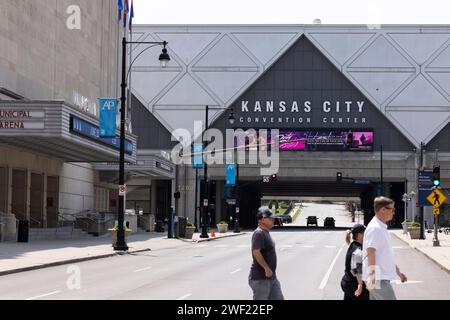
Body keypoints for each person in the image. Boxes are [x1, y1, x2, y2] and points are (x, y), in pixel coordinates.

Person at [363, 197, 408, 300]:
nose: (394, 212)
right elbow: (371, 252)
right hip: (378, 279)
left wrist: (399, 273)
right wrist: (373, 278)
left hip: (380, 278)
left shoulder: (381, 227)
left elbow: (386, 255)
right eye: (392, 209)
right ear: (383, 209)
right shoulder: (375, 228)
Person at [248, 207, 284, 300]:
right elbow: (256, 252)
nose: (273, 220)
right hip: (261, 278)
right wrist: (266, 268)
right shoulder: (259, 233)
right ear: (263, 219)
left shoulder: (266, 232)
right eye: (271, 218)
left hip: (271, 277)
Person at [341, 224, 369, 300]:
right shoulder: (358, 250)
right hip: (354, 285)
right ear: (359, 235)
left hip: (347, 282)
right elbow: (356, 268)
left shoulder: (352, 245)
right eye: (365, 232)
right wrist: (360, 285)